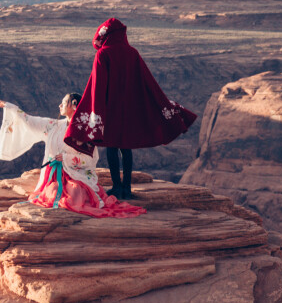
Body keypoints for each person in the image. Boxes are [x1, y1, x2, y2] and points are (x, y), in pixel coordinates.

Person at [64, 18, 197, 199]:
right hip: (129, 111)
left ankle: (117, 188)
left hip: (110, 111)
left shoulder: (103, 54)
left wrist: (96, 111)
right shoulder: (133, 53)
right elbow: (146, 81)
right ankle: (127, 188)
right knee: (126, 148)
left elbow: (97, 86)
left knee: (111, 148)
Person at [0, 93, 146, 218]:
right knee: (53, 192)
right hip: (56, 175)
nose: (59, 105)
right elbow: (30, 120)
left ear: (73, 105)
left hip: (76, 174)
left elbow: (90, 159)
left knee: (75, 193)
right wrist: (10, 108)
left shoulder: (85, 132)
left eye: (63, 102)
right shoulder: (54, 125)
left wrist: (66, 158)